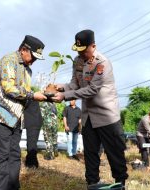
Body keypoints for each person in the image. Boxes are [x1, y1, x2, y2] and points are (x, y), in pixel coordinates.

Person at [52, 29, 128, 187]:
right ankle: (92, 184)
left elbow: (92, 89)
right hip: (88, 117)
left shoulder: (102, 63)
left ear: (93, 46)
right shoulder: (77, 61)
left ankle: (120, 183)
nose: (81, 54)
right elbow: (74, 84)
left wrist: (65, 96)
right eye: (78, 50)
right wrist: (60, 88)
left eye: (84, 50)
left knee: (115, 154)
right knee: (90, 154)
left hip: (107, 116)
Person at [0, 35, 47, 190]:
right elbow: (9, 88)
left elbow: (24, 93)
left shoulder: (28, 70)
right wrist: (33, 95)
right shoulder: (9, 60)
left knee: (14, 155)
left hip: (15, 117)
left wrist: (40, 95)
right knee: (2, 156)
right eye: (33, 56)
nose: (34, 60)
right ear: (24, 49)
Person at [24, 99, 43, 168]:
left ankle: (32, 163)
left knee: (31, 144)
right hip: (35, 122)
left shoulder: (29, 98)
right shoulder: (33, 97)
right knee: (32, 143)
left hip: (33, 122)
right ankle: (30, 161)